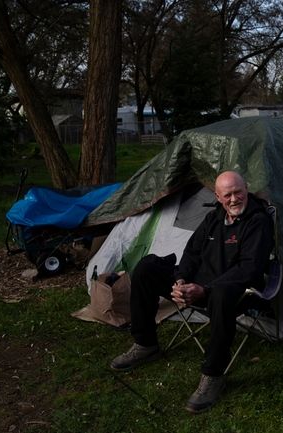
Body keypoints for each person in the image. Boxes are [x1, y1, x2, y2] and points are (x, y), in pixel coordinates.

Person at [109, 170, 274, 414]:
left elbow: (250, 268)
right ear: (218, 197)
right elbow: (192, 253)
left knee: (221, 295)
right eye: (227, 195)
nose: (234, 199)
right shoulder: (214, 218)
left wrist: (204, 289)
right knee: (146, 268)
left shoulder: (257, 221)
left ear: (246, 189)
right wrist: (181, 281)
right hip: (197, 284)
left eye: (238, 192)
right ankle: (145, 344)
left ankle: (213, 375)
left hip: (234, 291)